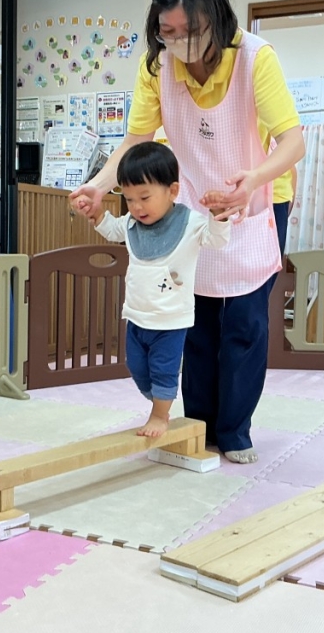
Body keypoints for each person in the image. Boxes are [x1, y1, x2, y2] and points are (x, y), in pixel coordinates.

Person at [71, 0, 305, 464]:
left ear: (215, 18)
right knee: (193, 316)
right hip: (194, 200)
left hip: (258, 197)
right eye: (168, 32)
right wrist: (97, 186)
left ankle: (234, 430)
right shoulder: (157, 66)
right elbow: (136, 139)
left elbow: (292, 142)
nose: (180, 43)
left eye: (191, 32)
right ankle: (200, 425)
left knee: (243, 320)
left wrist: (253, 181)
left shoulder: (255, 58)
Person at [87, 141, 230, 438]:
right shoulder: (132, 223)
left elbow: (216, 240)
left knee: (164, 371)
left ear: (172, 191)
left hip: (170, 321)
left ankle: (160, 415)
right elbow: (114, 230)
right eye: (129, 199)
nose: (136, 207)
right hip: (136, 317)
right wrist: (98, 215)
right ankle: (160, 399)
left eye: (144, 197)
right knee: (137, 368)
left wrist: (219, 215)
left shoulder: (189, 222)